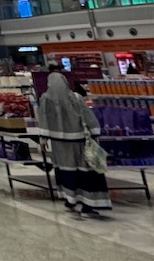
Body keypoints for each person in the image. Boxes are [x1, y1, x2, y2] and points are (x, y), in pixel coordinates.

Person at [36, 72, 111, 215]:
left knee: (66, 171)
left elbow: (44, 120)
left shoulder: (46, 99)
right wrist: (95, 134)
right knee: (85, 172)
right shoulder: (76, 97)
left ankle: (70, 199)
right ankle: (88, 203)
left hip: (59, 144)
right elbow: (89, 117)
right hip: (79, 141)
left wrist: (43, 140)